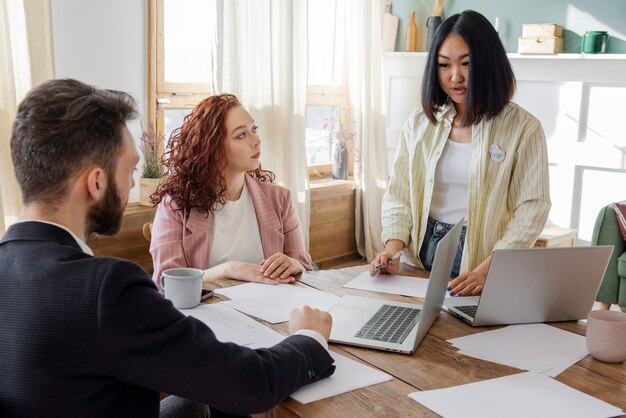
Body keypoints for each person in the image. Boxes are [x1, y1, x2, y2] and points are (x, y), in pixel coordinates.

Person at [0, 79, 335, 418]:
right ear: (97, 182)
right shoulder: (109, 290)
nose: (133, 183)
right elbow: (249, 384)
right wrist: (309, 339)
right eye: (130, 170)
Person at [371, 10, 551, 297]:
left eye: (467, 64)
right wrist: (392, 249)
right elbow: (400, 194)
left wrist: (487, 270)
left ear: (490, 64)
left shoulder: (524, 128)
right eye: (444, 65)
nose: (455, 77)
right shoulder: (419, 123)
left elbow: (531, 210)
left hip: (480, 259)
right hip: (421, 249)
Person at [151, 93, 311, 287]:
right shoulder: (174, 205)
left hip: (270, 312)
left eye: (254, 129)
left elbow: (304, 268)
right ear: (213, 148)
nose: (256, 140)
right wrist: (229, 269)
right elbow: (166, 281)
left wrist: (294, 264)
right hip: (206, 313)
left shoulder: (280, 198)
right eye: (241, 135)